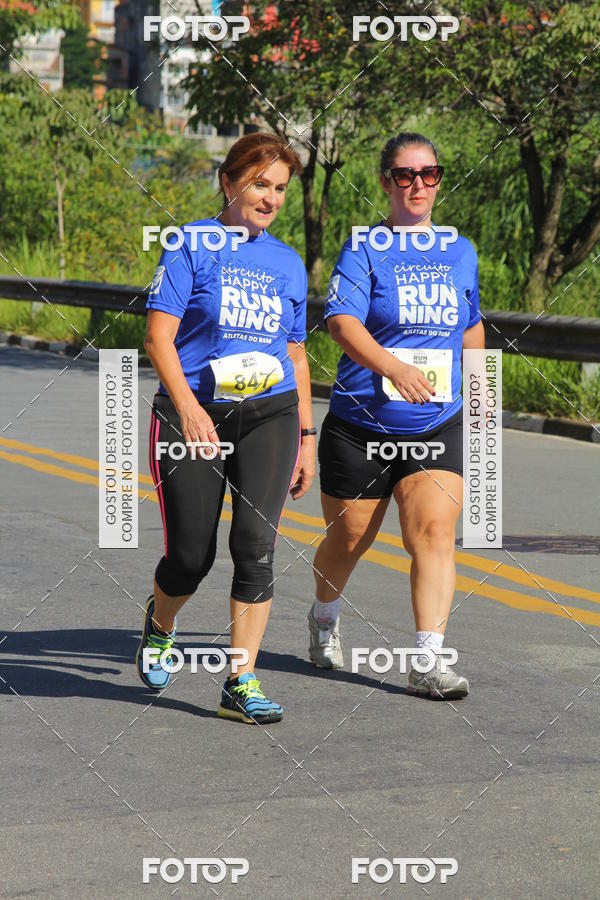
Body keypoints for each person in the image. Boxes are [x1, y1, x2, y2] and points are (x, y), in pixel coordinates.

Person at [138, 132, 315, 723]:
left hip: (270, 414)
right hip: (192, 412)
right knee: (191, 556)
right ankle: (161, 622)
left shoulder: (288, 262)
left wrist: (306, 436)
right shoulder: (192, 243)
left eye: (281, 189)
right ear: (229, 181)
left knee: (255, 549)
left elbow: (295, 355)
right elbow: (159, 337)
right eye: (260, 184)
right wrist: (187, 410)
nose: (270, 198)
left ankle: (240, 682)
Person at [308, 132, 484, 699]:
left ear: (439, 179)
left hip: (436, 422)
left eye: (428, 174)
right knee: (349, 539)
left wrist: (479, 400)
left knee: (433, 533)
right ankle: (324, 616)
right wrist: (392, 368)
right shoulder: (364, 248)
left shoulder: (460, 250)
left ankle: (428, 661)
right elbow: (341, 323)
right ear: (385, 181)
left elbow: (472, 325)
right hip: (361, 425)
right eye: (405, 175)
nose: (418, 185)